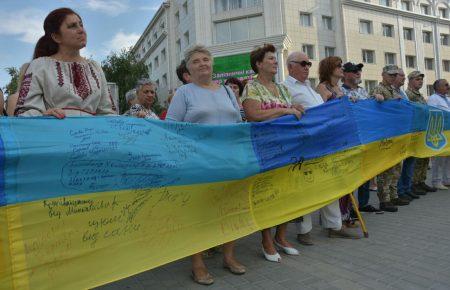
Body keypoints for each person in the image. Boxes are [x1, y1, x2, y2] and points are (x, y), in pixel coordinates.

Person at [166, 45, 245, 285]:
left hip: (230, 160)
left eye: (206, 60)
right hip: (199, 162)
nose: (202, 64)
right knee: (199, 213)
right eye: (196, 61)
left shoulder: (228, 92)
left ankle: (229, 257)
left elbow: (238, 122)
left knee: (231, 209)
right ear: (188, 69)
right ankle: (197, 263)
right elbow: (171, 127)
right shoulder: (184, 93)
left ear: (212, 64)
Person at [283, 52, 361, 246]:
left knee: (330, 183)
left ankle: (334, 226)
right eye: (302, 63)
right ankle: (304, 231)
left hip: (324, 143)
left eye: (309, 63)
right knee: (306, 188)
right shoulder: (285, 87)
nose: (307, 66)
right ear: (290, 66)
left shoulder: (309, 87)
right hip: (303, 145)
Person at [242, 44, 304, 262]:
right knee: (268, 194)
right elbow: (254, 115)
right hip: (266, 149)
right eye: (270, 59)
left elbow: (291, 110)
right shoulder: (252, 88)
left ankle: (281, 236)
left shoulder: (283, 89)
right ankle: (266, 239)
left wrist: (296, 107)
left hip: (288, 147)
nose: (275, 62)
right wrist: (286, 110)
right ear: (258, 64)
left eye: (275, 59)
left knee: (287, 192)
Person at [14, 8, 116, 117]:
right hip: (54, 131)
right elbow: (24, 112)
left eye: (81, 25)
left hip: (93, 133)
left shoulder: (95, 67)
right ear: (56, 37)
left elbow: (107, 113)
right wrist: (43, 116)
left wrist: (134, 120)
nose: (81, 30)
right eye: (72, 26)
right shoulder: (39, 65)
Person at [341, 62, 383, 214]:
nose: (358, 73)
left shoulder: (363, 91)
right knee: (352, 173)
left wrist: (376, 99)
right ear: (345, 74)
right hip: (350, 138)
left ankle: (363, 203)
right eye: (354, 71)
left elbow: (370, 109)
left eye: (359, 71)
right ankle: (350, 208)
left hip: (366, 136)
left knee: (366, 170)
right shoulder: (340, 91)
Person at [370, 65, 410, 212]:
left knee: (396, 167)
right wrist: (378, 99)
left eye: (395, 75)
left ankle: (394, 195)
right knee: (386, 169)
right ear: (383, 74)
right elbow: (371, 105)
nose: (393, 77)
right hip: (385, 135)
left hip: (396, 134)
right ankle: (384, 200)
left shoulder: (394, 90)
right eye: (391, 75)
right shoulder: (378, 89)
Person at [399, 71, 429, 200]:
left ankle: (417, 182)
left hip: (420, 131)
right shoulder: (408, 94)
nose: (420, 81)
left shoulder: (419, 95)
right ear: (410, 80)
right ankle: (410, 185)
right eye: (417, 79)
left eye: (421, 79)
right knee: (410, 162)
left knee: (420, 159)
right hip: (411, 131)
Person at [427, 79, 450, 190]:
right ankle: (437, 181)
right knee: (439, 159)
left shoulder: (447, 99)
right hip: (439, 133)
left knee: (448, 158)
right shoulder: (433, 99)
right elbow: (432, 114)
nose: (448, 86)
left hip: (448, 133)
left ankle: (447, 179)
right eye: (446, 85)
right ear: (438, 87)